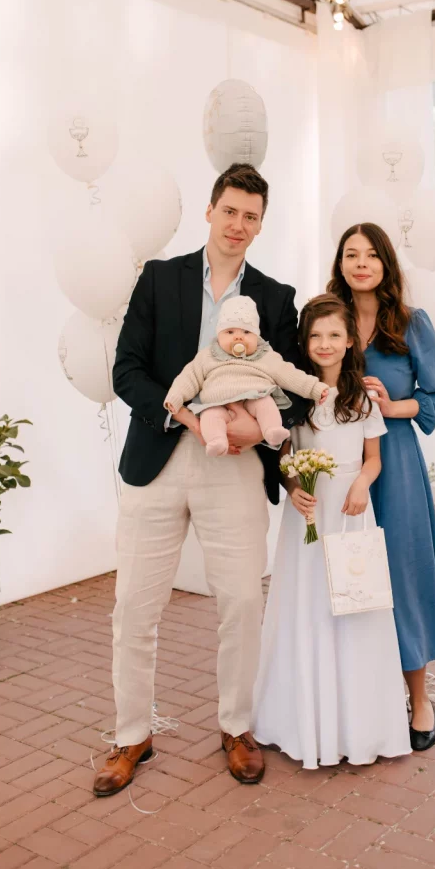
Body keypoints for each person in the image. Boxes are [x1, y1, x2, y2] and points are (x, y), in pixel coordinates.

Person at [93, 163, 308, 797]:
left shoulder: (276, 298)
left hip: (236, 464)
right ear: (210, 211)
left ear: (261, 225)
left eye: (251, 216)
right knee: (135, 606)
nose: (238, 225)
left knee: (241, 600)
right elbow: (126, 370)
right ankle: (132, 735)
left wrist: (251, 432)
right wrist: (185, 415)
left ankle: (236, 727)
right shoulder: (160, 279)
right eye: (230, 211)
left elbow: (295, 391)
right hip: (158, 457)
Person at [253, 294, 411, 768]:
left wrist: (361, 483)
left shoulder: (361, 398)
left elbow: (373, 459)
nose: (325, 344)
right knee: (309, 605)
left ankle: (357, 725)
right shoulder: (293, 399)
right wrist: (292, 486)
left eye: (334, 335)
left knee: (353, 604)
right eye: (316, 336)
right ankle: (304, 722)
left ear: (349, 342)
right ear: (304, 342)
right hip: (309, 512)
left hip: (349, 510)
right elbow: (284, 455)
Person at [328, 223, 435, 752]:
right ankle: (356, 700)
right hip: (339, 462)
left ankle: (419, 699)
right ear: (340, 264)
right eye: (351, 254)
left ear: (386, 263)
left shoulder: (410, 322)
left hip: (396, 462)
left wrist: (393, 405)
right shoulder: (326, 319)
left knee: (400, 574)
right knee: (344, 577)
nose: (361, 263)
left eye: (371, 255)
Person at [164, 295, 328, 456]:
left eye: (246, 332)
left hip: (255, 397)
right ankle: (216, 441)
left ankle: (272, 430)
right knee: (209, 416)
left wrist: (314, 388)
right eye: (230, 332)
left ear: (257, 336)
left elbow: (290, 375)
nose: (238, 337)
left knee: (266, 404)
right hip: (216, 403)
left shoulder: (265, 355)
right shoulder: (208, 355)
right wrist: (175, 397)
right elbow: (188, 378)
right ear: (218, 335)